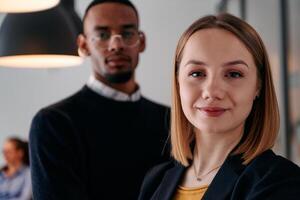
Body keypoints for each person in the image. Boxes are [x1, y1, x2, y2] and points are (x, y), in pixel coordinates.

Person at [138, 13, 300, 200]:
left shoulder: (281, 182)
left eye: (233, 74)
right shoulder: (155, 180)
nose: (212, 91)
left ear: (258, 86)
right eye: (197, 73)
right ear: (178, 83)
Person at [29, 0, 170, 199]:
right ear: (83, 45)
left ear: (142, 41)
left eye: (127, 33)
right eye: (102, 35)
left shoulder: (170, 120)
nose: (116, 44)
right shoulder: (54, 123)